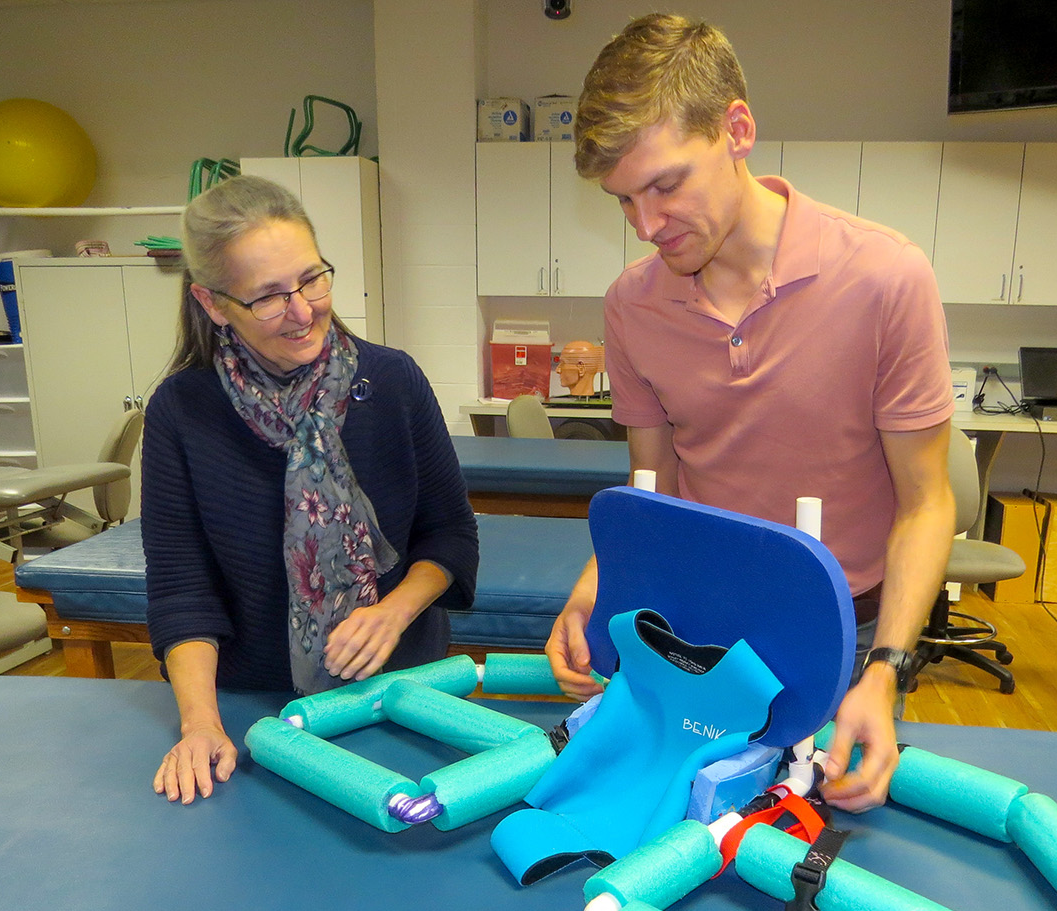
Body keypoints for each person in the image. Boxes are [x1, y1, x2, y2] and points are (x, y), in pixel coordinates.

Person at [545, 14, 956, 813]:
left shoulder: (884, 278)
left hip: (850, 632)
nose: (648, 225)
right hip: (703, 626)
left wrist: (888, 669)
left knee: (821, 847)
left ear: (737, 130)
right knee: (688, 826)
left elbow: (927, 500)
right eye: (623, 200)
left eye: (665, 185)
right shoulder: (633, 306)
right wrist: (598, 583)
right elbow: (651, 483)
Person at [144, 174, 478, 804]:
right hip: (259, 710)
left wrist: (392, 612)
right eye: (268, 298)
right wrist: (200, 725)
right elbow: (182, 588)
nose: (303, 312)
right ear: (214, 305)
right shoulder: (182, 411)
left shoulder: (394, 380)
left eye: (312, 279)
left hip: (405, 689)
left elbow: (451, 536)